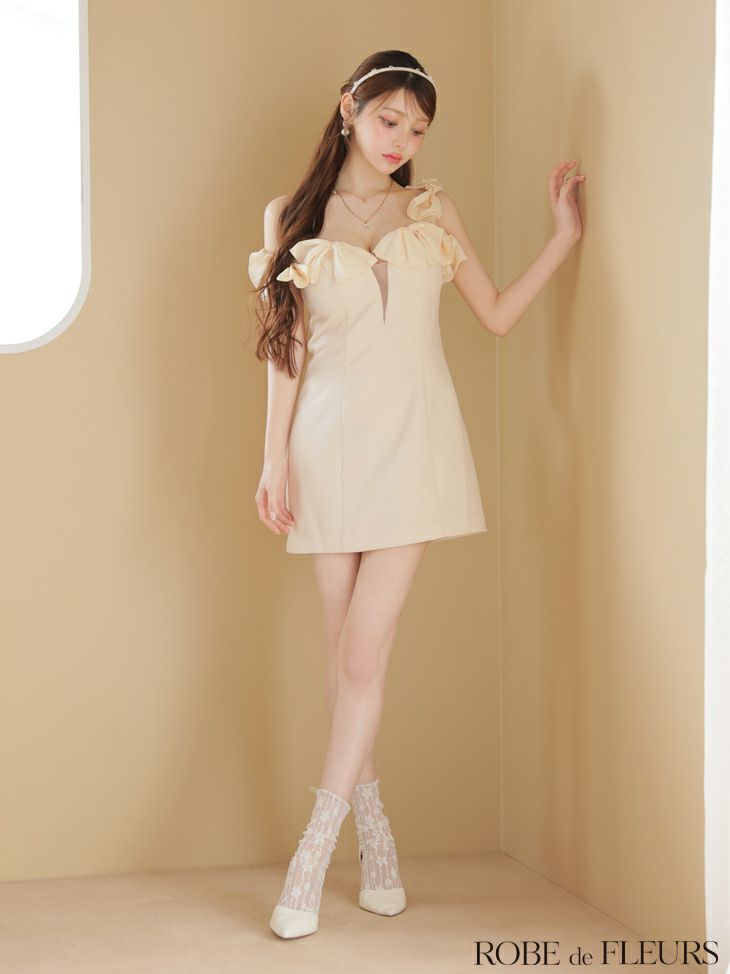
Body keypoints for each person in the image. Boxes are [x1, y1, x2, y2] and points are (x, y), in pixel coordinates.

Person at [247, 50, 585, 940]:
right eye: (390, 119)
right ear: (349, 110)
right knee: (343, 658)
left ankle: (313, 855)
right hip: (325, 450)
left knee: (363, 658)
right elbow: (287, 350)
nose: (402, 140)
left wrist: (562, 238)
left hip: (416, 450)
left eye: (418, 128)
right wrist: (272, 460)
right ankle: (378, 836)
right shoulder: (291, 215)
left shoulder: (432, 211)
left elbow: (497, 314)